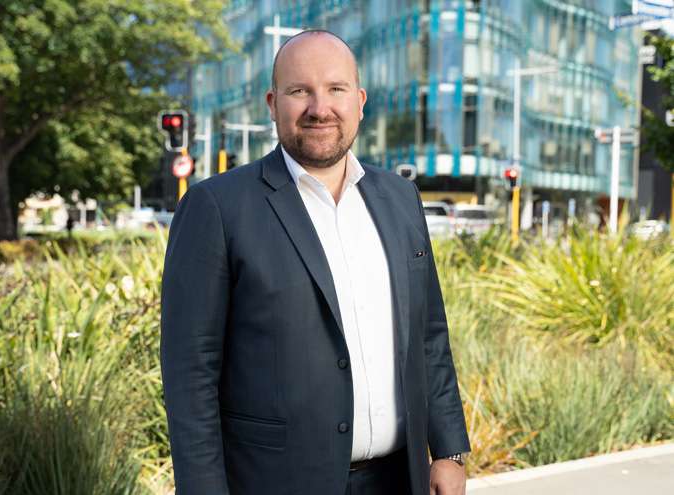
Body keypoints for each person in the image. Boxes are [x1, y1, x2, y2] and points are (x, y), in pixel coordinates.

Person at [160, 30, 470, 495]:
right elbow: (191, 375)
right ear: (272, 102)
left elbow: (428, 336)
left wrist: (448, 451)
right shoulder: (217, 208)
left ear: (360, 101)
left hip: (397, 480)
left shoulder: (400, 199)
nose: (319, 107)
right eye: (299, 90)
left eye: (336, 89)